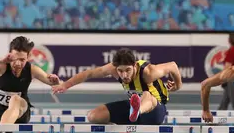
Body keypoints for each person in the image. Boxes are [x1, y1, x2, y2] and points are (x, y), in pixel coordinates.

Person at [52, 48, 182, 125]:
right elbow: (89, 73)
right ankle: (126, 118)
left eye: (128, 70)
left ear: (135, 65)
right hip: (133, 106)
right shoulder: (112, 69)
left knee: (146, 94)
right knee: (93, 116)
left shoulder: (149, 72)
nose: (124, 75)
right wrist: (65, 85)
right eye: (120, 71)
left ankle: (137, 111)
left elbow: (173, 65)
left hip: (155, 112)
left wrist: (177, 85)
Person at [218, 33, 234, 110]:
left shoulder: (232, 51)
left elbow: (227, 67)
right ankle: (215, 120)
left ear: (229, 40)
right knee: (224, 102)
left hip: (232, 80)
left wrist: (222, 79)